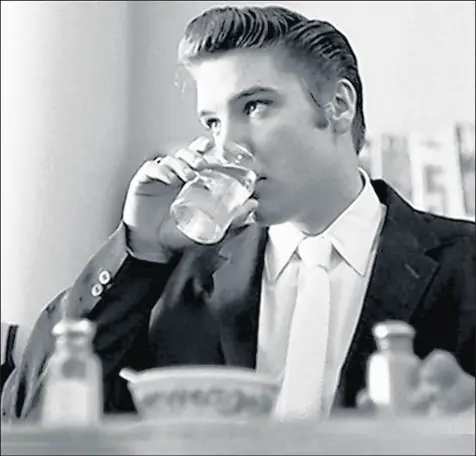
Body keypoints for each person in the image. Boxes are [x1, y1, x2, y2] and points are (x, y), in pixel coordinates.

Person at [2, 5, 474, 421]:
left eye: (254, 106)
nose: (226, 147)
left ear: (338, 105)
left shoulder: (465, 264)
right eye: (212, 122)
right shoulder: (171, 278)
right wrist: (138, 248)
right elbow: (31, 418)